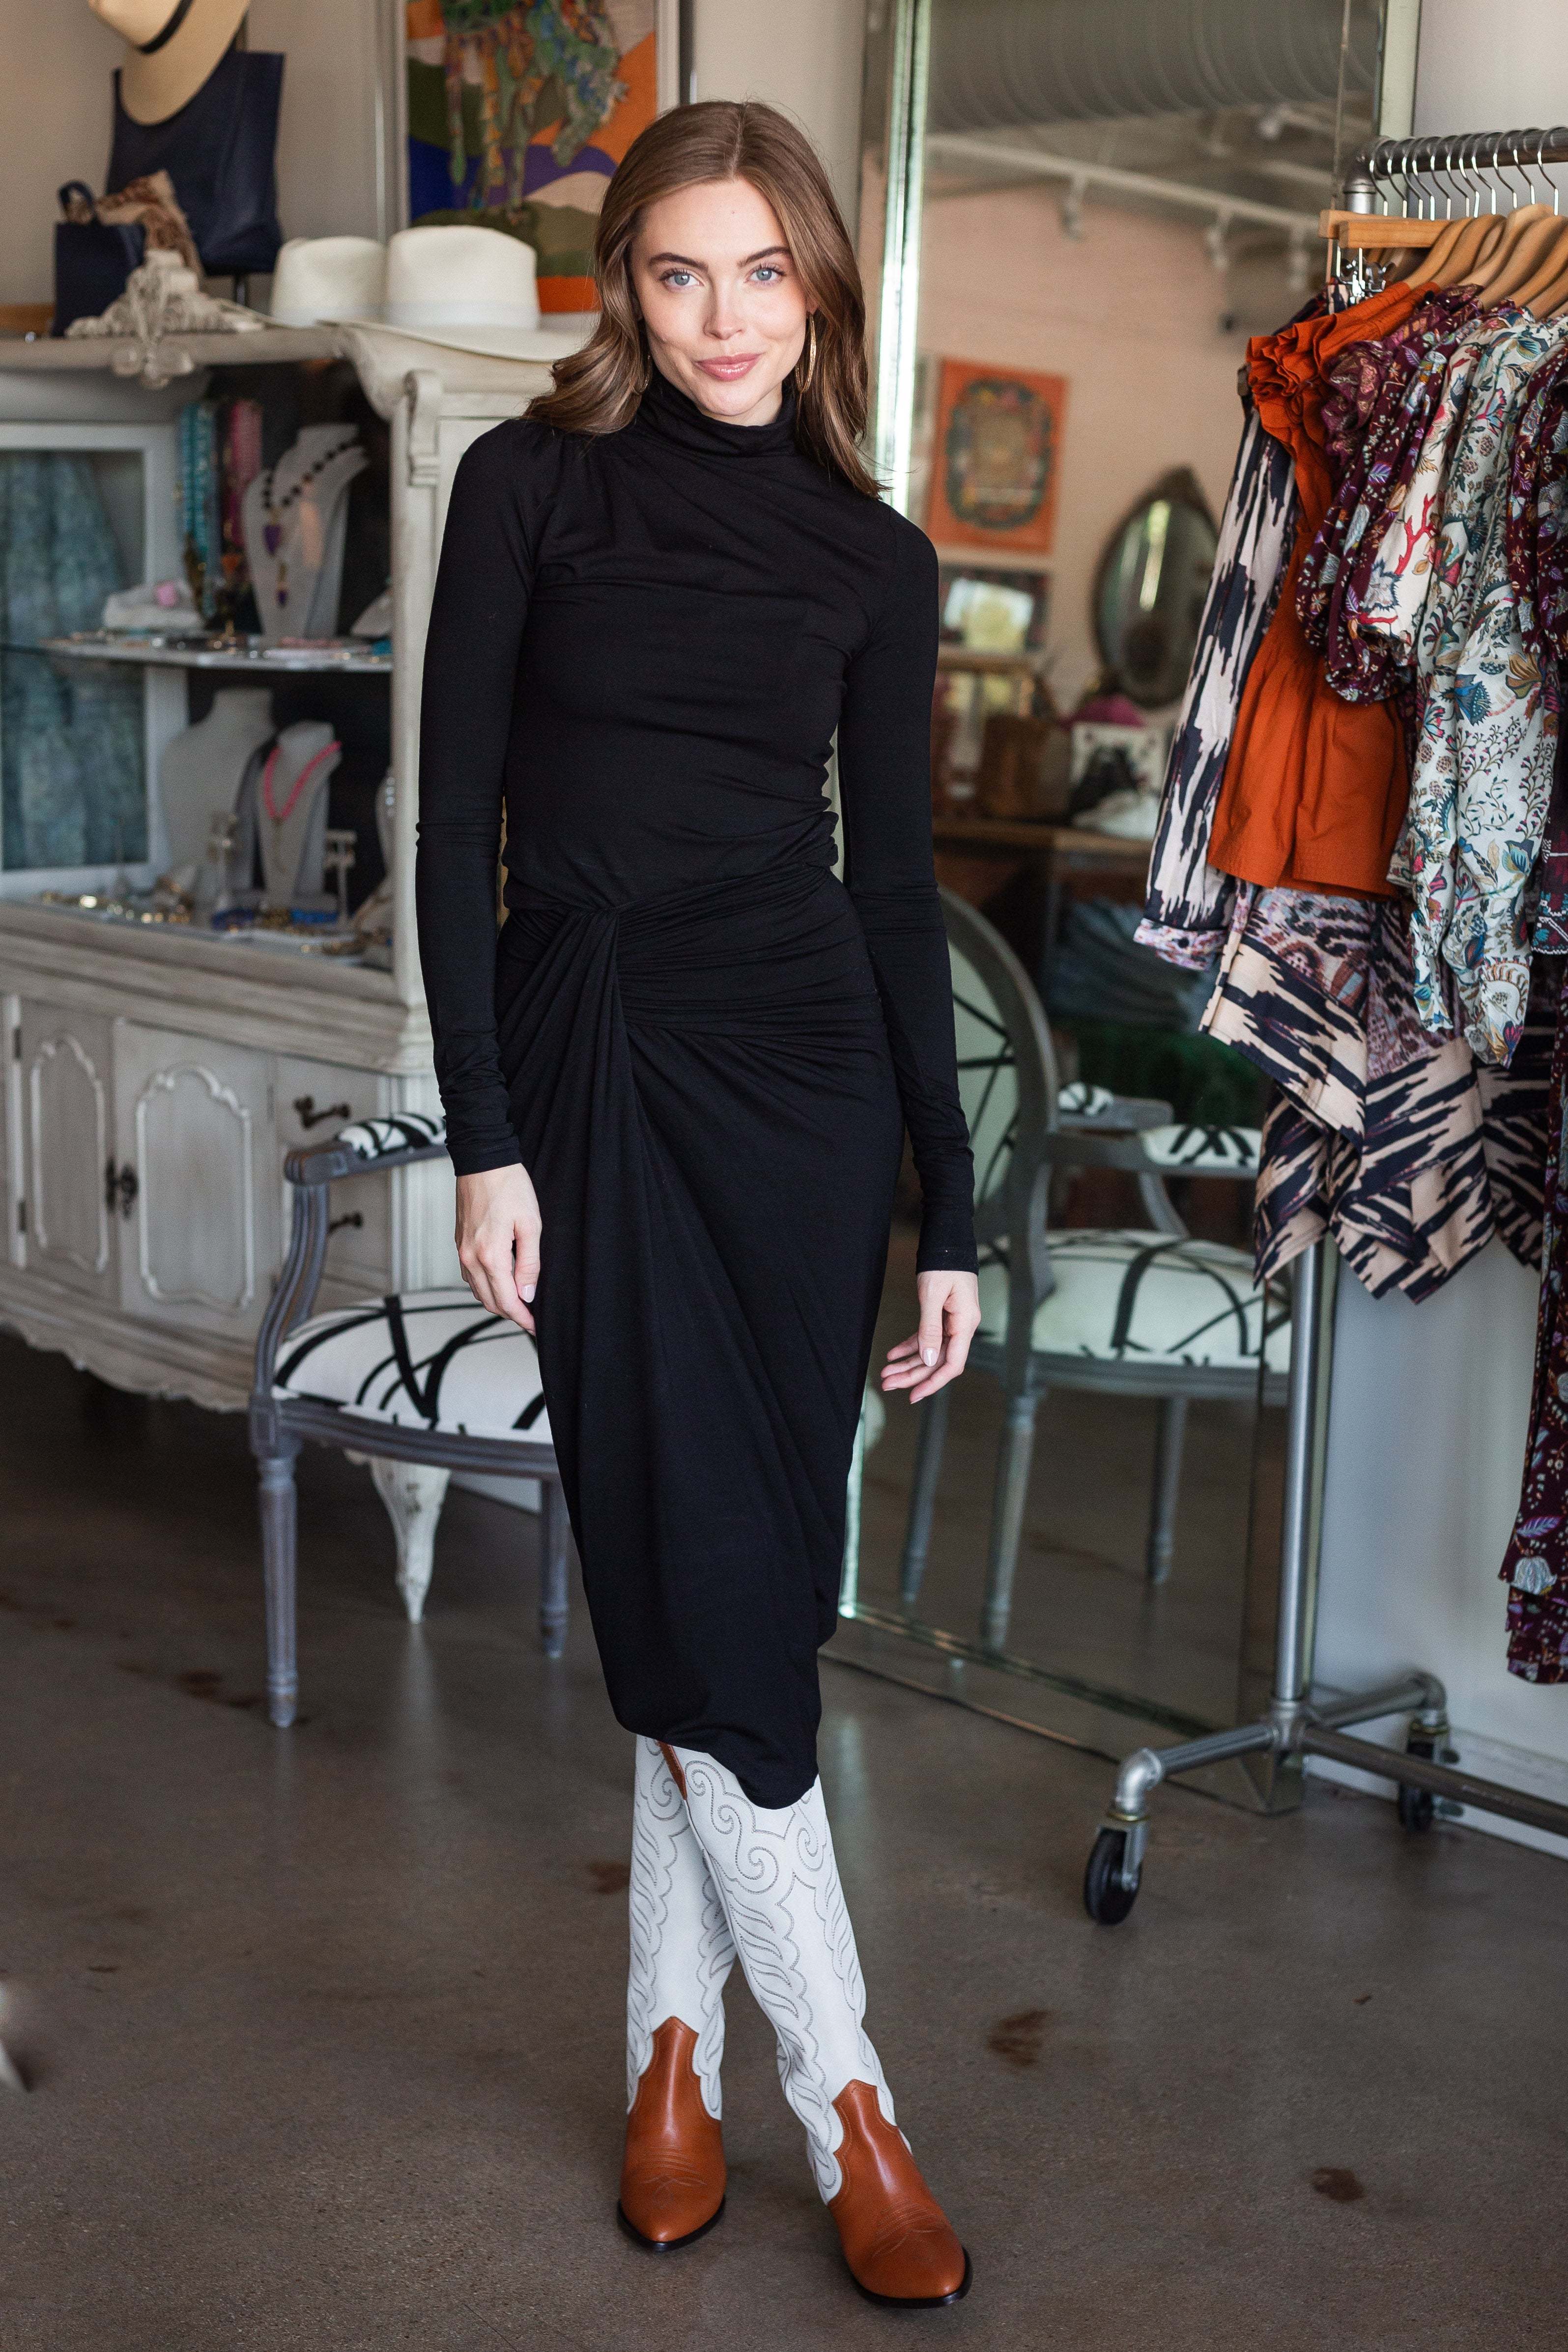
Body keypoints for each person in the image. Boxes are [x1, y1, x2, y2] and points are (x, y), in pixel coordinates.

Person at [415, 98, 980, 2310]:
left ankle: (672, 2053)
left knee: (742, 1581)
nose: (727, 320)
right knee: (706, 1582)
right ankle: (854, 2106)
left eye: (764, 274)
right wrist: (484, 1134)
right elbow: (454, 826)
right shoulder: (527, 488)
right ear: (624, 289)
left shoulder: (876, 561)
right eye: (681, 273)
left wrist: (950, 1205)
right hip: (594, 1060)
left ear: (817, 288)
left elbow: (896, 892)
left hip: (807, 1092)